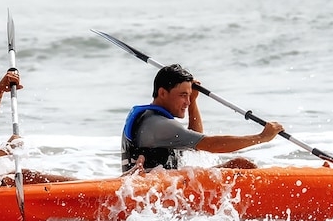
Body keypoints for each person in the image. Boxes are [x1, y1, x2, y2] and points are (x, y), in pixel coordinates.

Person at [121, 63, 283, 173]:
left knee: (240, 165)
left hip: (165, 186)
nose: (187, 101)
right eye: (183, 95)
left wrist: (193, 103)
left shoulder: (152, 118)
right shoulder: (158, 125)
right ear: (162, 93)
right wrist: (261, 137)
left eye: (190, 96)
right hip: (153, 193)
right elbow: (209, 144)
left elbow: (195, 141)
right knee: (242, 166)